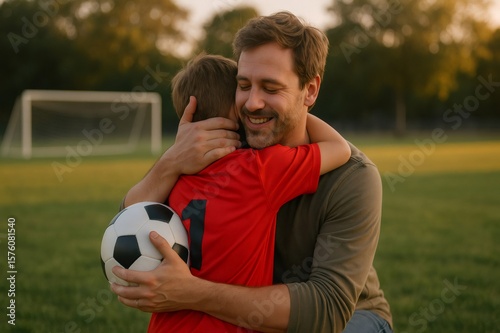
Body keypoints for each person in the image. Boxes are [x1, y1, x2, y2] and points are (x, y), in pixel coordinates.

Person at [111, 11, 393, 333]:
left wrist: (191, 292)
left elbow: (325, 310)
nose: (253, 103)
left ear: (310, 91)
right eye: (243, 85)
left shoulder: (353, 177)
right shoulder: (219, 149)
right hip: (242, 311)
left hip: (351, 317)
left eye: (271, 88)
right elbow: (128, 219)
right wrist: (171, 161)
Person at [146, 53, 350, 332]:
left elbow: (130, 210)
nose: (252, 103)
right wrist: (297, 107)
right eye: (243, 90)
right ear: (237, 112)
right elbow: (339, 148)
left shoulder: (173, 179)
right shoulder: (259, 171)